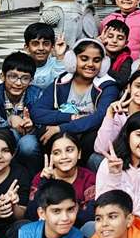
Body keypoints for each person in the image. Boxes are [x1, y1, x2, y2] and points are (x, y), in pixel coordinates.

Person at [31, 38, 121, 166]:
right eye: (84, 59)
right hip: (64, 135)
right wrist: (70, 117)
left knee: (91, 137)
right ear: (72, 60)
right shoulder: (61, 81)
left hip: (88, 137)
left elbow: (101, 117)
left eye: (96, 60)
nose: (90, 64)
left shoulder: (108, 86)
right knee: (44, 132)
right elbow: (36, 112)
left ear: (103, 64)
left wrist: (61, 127)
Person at [0, 52, 42, 172]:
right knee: (12, 134)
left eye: (25, 78)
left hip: (30, 138)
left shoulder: (37, 95)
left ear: (31, 80)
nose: (18, 83)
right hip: (1, 140)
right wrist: (11, 120)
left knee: (28, 145)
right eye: (13, 76)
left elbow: (43, 126)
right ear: (2, 76)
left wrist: (31, 127)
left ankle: (33, 175)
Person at [26, 132, 96, 230]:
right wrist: (44, 183)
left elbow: (89, 216)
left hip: (77, 231)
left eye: (69, 150)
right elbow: (32, 216)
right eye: (56, 153)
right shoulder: (41, 177)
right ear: (51, 156)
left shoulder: (89, 178)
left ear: (79, 153)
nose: (64, 156)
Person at [92, 68, 140, 157]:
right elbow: (100, 148)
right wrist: (110, 114)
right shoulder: (119, 114)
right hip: (120, 159)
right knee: (95, 158)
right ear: (129, 88)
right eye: (138, 86)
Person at [24, 22, 69, 91]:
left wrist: (60, 56)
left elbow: (61, 85)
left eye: (46, 44)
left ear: (52, 47)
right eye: (35, 44)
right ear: (27, 48)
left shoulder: (58, 63)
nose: (41, 48)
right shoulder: (21, 65)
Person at [101, 18, 134, 85]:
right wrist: (98, 43)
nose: (114, 41)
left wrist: (100, 68)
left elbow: (122, 79)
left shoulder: (126, 59)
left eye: (120, 38)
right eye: (110, 36)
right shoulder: (96, 53)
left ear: (126, 43)